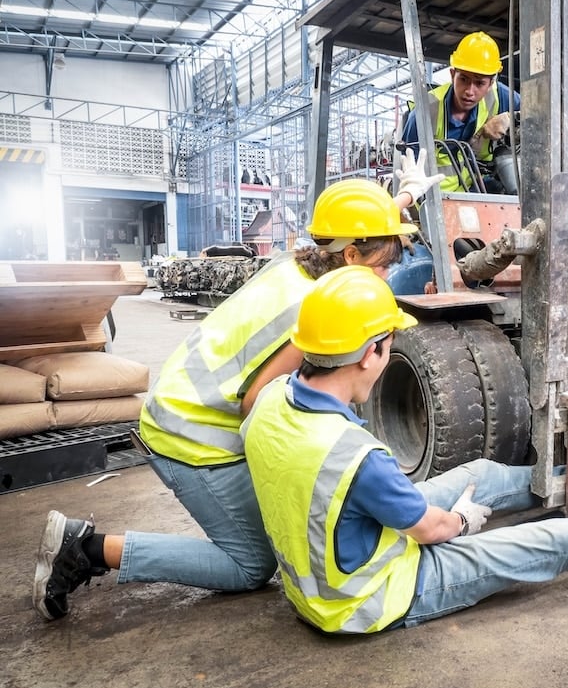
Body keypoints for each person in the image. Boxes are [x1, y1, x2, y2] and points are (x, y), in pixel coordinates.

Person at [241, 265, 568, 634]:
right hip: (371, 598)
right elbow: (433, 530)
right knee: (562, 541)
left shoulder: (266, 403)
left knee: (482, 473)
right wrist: (465, 521)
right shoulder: (357, 456)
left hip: (331, 565)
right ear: (373, 350)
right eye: (388, 347)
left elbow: (345, 487)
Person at [32, 161, 444, 622]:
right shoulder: (309, 312)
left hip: (184, 401)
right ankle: (85, 549)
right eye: (386, 265)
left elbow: (358, 229)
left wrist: (406, 195)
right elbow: (260, 406)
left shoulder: (299, 265)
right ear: (351, 258)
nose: (387, 276)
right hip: (190, 434)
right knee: (252, 565)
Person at [401, 31, 520, 193]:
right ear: (452, 75)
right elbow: (410, 172)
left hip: (477, 191)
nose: (469, 91)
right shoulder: (425, 113)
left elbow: (543, 113)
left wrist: (510, 118)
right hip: (436, 200)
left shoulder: (501, 97)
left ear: (491, 83)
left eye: (479, 83)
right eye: (463, 79)